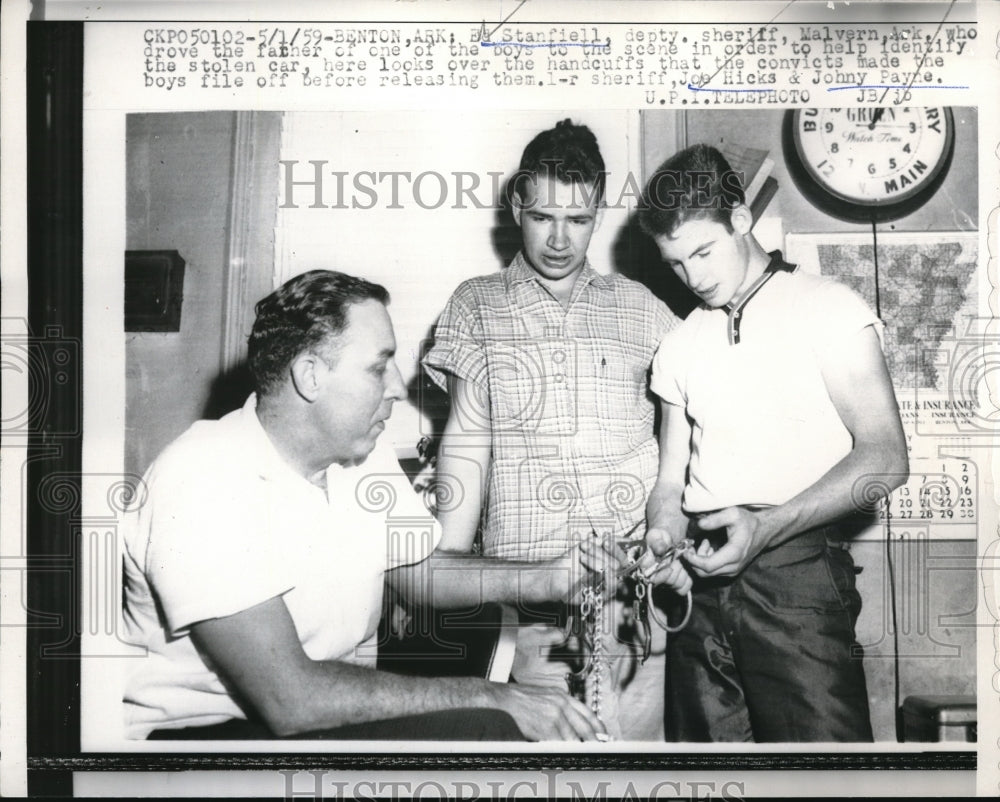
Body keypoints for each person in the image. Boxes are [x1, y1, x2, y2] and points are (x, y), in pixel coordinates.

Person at [122, 269, 609, 742]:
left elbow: (419, 571)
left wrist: (548, 576)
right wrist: (495, 697)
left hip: (319, 719)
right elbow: (292, 700)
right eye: (379, 367)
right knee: (490, 727)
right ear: (310, 376)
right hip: (202, 739)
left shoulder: (359, 454)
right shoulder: (203, 478)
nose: (398, 387)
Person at [637, 144, 909, 742]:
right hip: (702, 585)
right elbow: (668, 481)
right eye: (676, 263)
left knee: (821, 782)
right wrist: (663, 543)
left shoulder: (829, 309)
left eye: (703, 252)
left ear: (740, 218)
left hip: (799, 578)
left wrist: (766, 527)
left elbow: (885, 459)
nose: (694, 277)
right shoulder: (679, 344)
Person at [422, 120, 677, 740]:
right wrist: (443, 569)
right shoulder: (476, 303)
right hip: (535, 611)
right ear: (516, 205)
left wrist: (674, 531)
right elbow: (466, 443)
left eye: (579, 220)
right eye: (541, 217)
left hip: (635, 616)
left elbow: (690, 430)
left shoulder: (643, 307)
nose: (560, 239)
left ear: (598, 210)